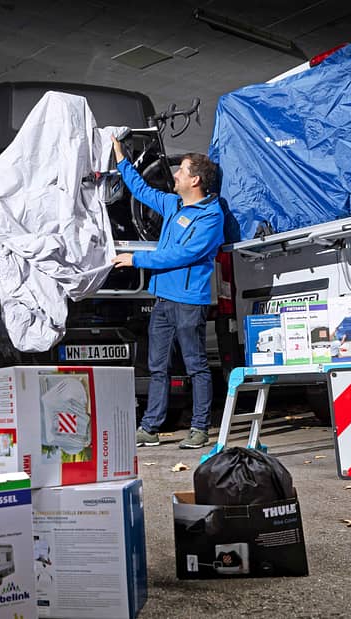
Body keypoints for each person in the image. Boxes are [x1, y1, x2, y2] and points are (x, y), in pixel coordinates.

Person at [110, 136, 224, 449]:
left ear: (195, 180)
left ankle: (199, 428)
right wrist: (121, 158)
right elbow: (141, 190)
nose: (175, 174)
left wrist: (136, 259)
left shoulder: (211, 218)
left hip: (189, 302)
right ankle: (150, 427)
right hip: (163, 299)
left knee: (196, 365)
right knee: (157, 366)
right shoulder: (173, 205)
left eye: (181, 171)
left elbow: (181, 255)